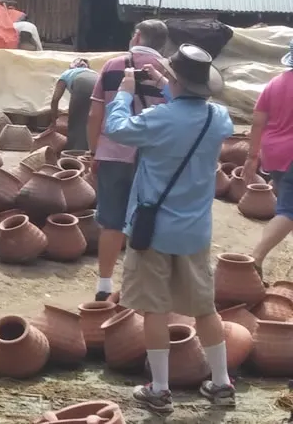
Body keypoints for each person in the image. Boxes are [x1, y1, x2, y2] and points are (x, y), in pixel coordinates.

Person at [102, 44, 235, 414]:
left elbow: (116, 129)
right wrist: (167, 82)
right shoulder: (218, 118)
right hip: (194, 231)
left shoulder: (157, 120)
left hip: (153, 231)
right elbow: (187, 109)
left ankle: (159, 390)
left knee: (154, 310)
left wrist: (124, 94)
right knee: (204, 308)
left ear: (176, 81)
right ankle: (222, 383)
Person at [87, 19, 170, 302]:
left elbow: (95, 115)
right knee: (148, 220)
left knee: (112, 221)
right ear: (162, 43)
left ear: (136, 37)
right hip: (155, 158)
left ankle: (104, 285)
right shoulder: (170, 71)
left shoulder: (113, 66)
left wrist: (93, 151)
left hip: (114, 153)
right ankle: (141, 286)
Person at [245, 39, 293, 280]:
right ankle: (255, 258)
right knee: (289, 211)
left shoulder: (275, 83)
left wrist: (252, 157)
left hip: (273, 152)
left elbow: (257, 121)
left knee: (286, 204)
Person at [46, 58, 97, 151]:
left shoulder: (67, 74)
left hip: (81, 83)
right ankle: (91, 152)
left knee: (75, 121)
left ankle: (74, 153)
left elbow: (55, 99)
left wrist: (54, 122)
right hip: (98, 82)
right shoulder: (93, 72)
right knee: (92, 121)